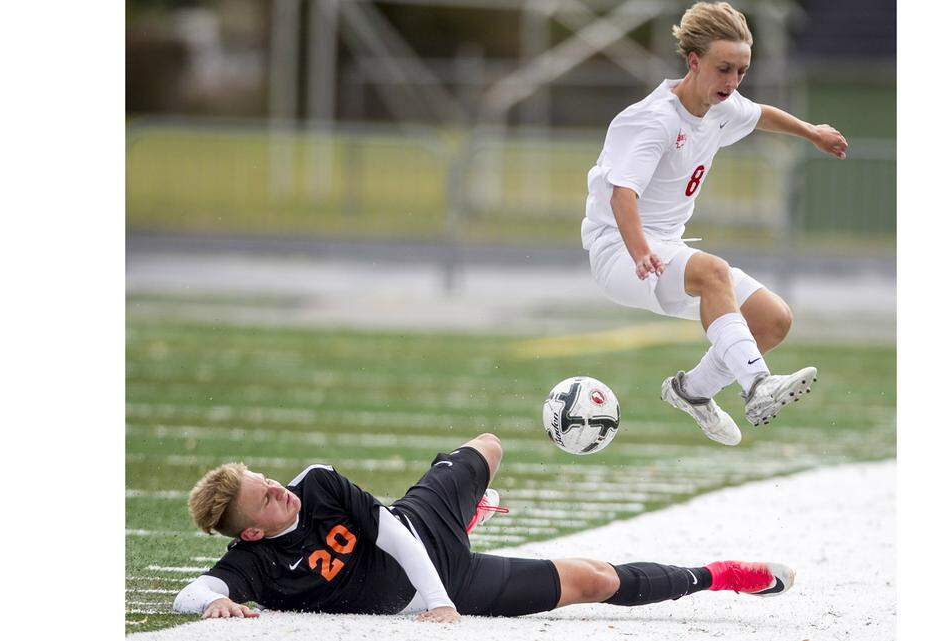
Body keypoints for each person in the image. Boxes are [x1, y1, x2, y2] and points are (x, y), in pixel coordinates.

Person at [581, 1, 847, 446]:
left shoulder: (722, 105)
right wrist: (640, 250)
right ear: (693, 61)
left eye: (742, 71)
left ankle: (693, 392)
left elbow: (760, 113)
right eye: (725, 69)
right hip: (620, 251)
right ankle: (758, 385)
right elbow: (621, 193)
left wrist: (811, 131)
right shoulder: (654, 120)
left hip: (664, 248)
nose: (733, 82)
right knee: (713, 272)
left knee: (772, 318)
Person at [173, 432, 794, 621]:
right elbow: (191, 592)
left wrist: (440, 604)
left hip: (421, 533)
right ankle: (721, 575)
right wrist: (214, 606)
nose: (278, 491)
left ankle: (470, 508)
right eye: (265, 500)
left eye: (266, 481)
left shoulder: (317, 482)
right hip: (453, 580)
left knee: (488, 446)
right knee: (595, 580)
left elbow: (391, 533)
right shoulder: (252, 566)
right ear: (249, 533)